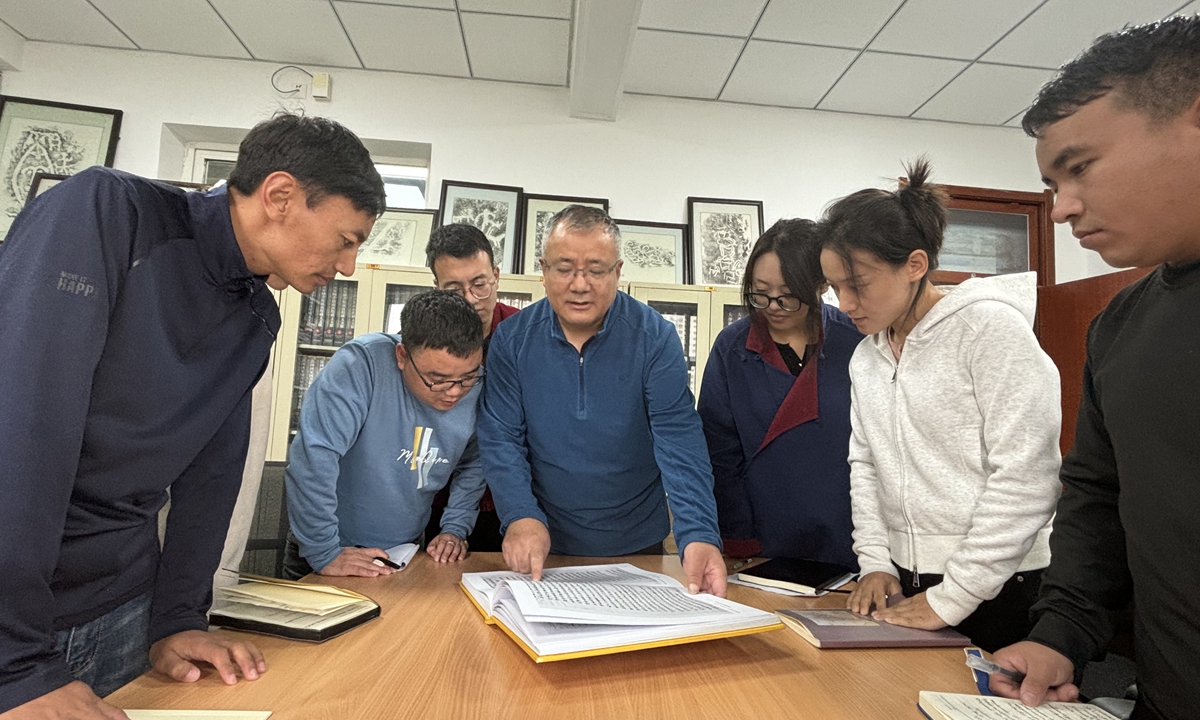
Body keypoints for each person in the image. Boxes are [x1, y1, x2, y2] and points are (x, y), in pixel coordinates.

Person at [0, 113, 385, 718]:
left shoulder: (257, 316)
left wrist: (177, 619)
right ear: (280, 196)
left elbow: (211, 477)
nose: (348, 266)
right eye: (346, 238)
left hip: (120, 605)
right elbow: (20, 430)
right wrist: (14, 665)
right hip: (16, 624)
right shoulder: (107, 214)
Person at [990, 17, 1200, 719]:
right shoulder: (1122, 324)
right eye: (1051, 183)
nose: (1061, 209)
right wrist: (1062, 633)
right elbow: (1095, 493)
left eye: (1080, 168)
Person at [819, 159, 1062, 653]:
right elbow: (865, 465)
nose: (844, 303)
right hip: (908, 581)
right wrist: (876, 564)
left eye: (858, 284)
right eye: (834, 287)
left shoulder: (990, 331)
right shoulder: (867, 357)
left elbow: (1027, 475)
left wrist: (955, 595)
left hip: (1003, 585)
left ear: (914, 264)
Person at [478, 205, 726, 596]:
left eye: (596, 270)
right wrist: (520, 515)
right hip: (543, 541)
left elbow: (679, 440)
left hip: (637, 545)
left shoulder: (654, 338)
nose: (580, 284)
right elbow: (501, 439)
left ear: (618, 272)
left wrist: (698, 534)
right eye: (564, 269)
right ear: (542, 270)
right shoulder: (512, 340)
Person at [284, 290, 486, 578]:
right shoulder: (360, 366)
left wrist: (455, 528)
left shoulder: (479, 387)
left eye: (467, 377)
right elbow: (313, 460)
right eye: (437, 380)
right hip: (330, 551)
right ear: (402, 356)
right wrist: (324, 553)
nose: (455, 392)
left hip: (404, 553)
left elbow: (475, 463)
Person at [698, 219, 862, 568]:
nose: (772, 306)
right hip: (765, 538)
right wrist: (739, 539)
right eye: (760, 292)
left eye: (787, 295)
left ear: (819, 285)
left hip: (851, 534)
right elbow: (720, 454)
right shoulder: (733, 348)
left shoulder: (855, 340)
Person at [420, 223, 521, 552]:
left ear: (496, 275)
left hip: (516, 502)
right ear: (436, 287)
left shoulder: (525, 334)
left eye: (480, 285)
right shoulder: (421, 340)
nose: (470, 300)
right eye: (454, 289)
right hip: (438, 497)